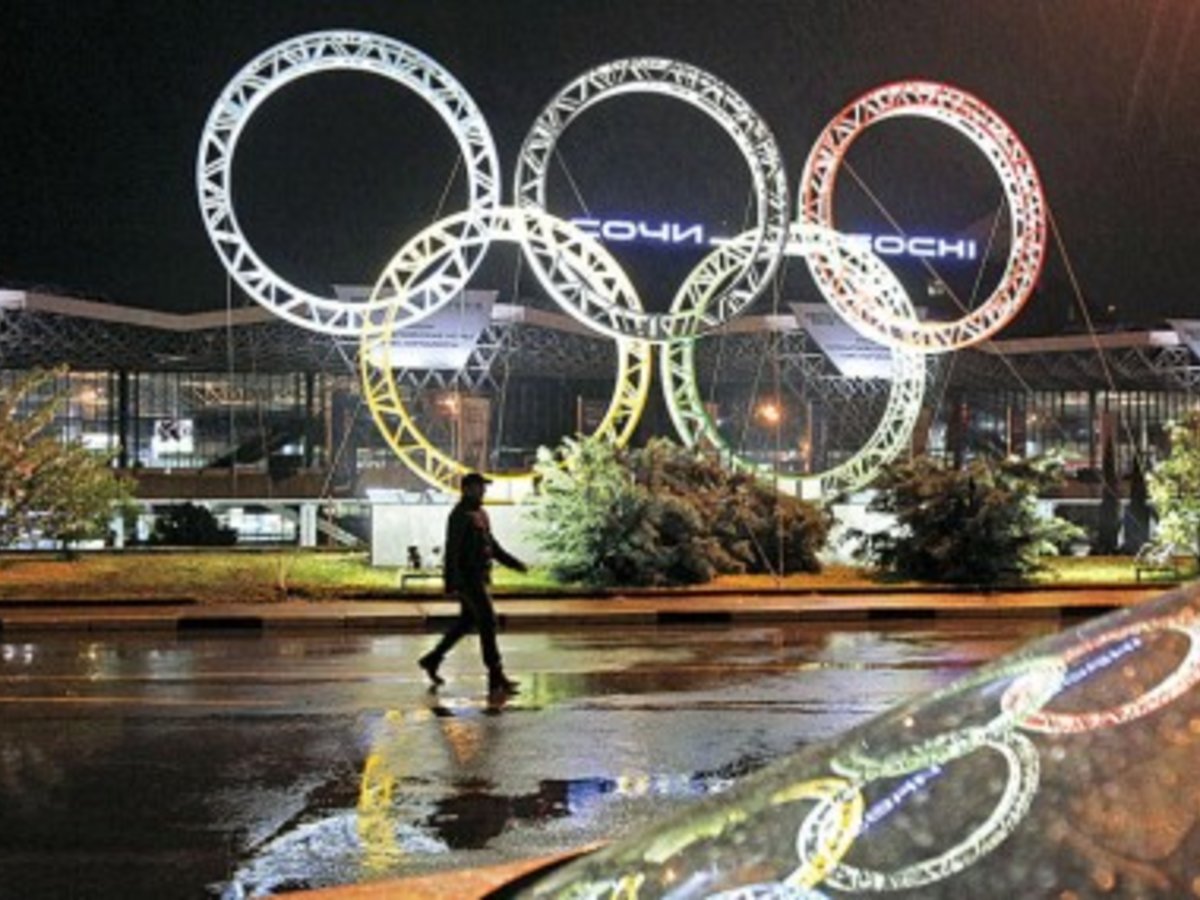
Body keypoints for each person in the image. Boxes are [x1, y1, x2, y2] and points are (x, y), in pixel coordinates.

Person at [418, 472, 526, 695]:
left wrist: (513, 563)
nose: (484, 491)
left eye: (484, 487)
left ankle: (433, 659)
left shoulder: (481, 514)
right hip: (468, 579)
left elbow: (492, 546)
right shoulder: (459, 515)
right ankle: (495, 675)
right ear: (467, 489)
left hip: (480, 576)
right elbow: (452, 550)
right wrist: (450, 582)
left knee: (467, 622)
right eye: (479, 487)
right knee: (488, 622)